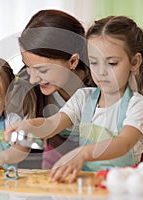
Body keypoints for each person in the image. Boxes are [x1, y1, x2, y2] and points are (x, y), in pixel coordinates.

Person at [6, 15, 143, 182]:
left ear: (134, 62)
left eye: (111, 63)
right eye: (94, 62)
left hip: (124, 183)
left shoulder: (136, 104)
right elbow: (52, 123)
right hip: (90, 181)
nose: (101, 71)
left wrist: (83, 153)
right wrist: (28, 126)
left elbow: (124, 143)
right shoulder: (83, 97)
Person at [17, 9, 95, 169]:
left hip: (97, 166)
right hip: (55, 167)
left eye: (43, 70)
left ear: (73, 61)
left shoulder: (99, 87)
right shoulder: (33, 89)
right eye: (28, 67)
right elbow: (24, 142)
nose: (33, 79)